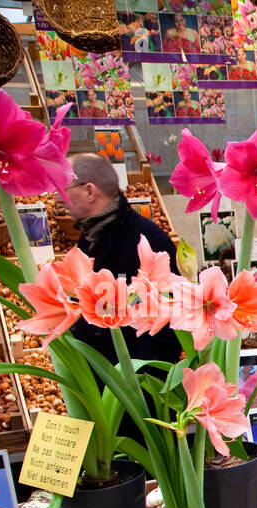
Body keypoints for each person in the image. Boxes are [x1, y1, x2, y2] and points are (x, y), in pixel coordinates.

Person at [61, 153, 181, 366]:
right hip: (105, 381)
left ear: (89, 191)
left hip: (131, 386)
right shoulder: (90, 236)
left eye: (64, 188)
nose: (59, 198)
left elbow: (168, 323)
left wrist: (143, 388)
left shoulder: (147, 239)